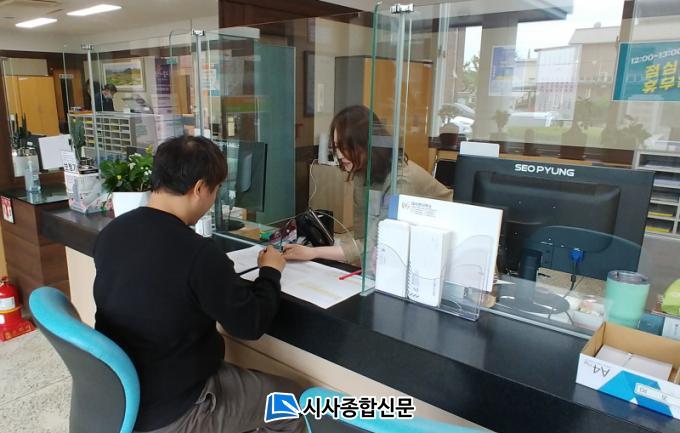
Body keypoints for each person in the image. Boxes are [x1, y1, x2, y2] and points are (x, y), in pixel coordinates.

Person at [93, 135, 305, 433]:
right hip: (175, 409)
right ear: (200, 189)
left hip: (124, 396)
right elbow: (250, 324)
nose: (213, 199)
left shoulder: (113, 232)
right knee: (293, 402)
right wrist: (270, 271)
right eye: (216, 191)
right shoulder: (198, 254)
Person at [283, 105, 452, 265]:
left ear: (366, 145)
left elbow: (379, 244)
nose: (339, 155)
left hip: (440, 249)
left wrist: (314, 252)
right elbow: (364, 235)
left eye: (346, 147)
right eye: (336, 147)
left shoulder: (400, 181)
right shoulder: (363, 171)